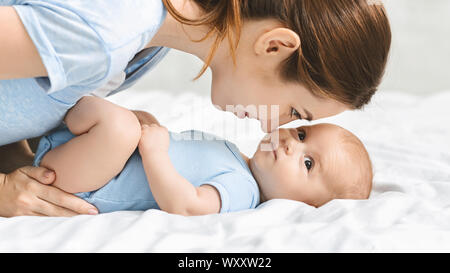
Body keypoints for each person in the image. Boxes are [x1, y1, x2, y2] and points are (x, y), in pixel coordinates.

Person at [0, 0, 391, 216]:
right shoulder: (110, 35)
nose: (277, 127)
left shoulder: (146, 48)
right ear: (274, 47)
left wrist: (16, 159)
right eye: (297, 114)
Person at [29, 96, 372, 214]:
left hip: (90, 186)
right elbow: (182, 153)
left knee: (118, 125)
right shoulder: (237, 158)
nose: (290, 144)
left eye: (307, 163)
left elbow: (186, 204)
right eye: (301, 134)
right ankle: (42, 118)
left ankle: (48, 113)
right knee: (122, 122)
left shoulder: (243, 191)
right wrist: (152, 130)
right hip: (91, 161)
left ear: (304, 205)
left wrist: (153, 151)